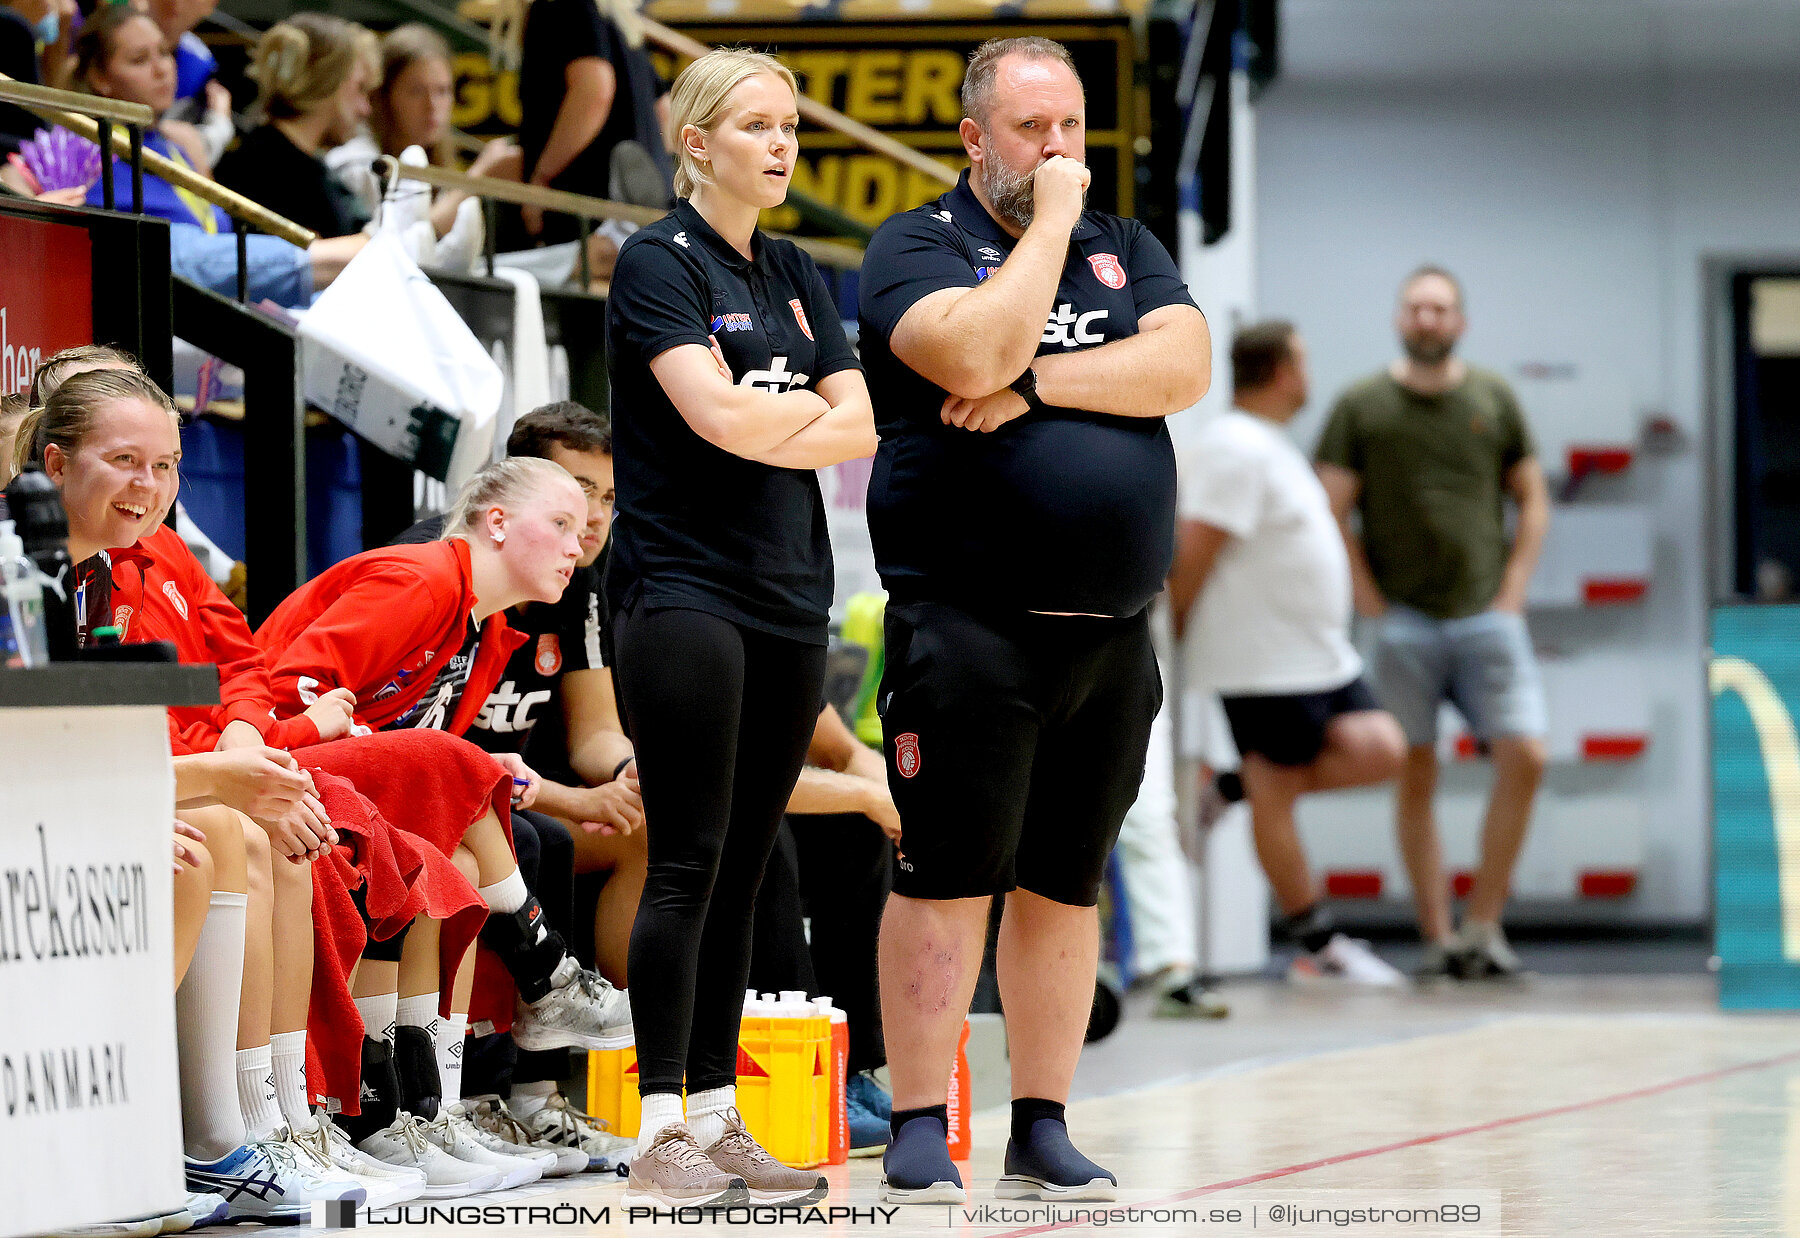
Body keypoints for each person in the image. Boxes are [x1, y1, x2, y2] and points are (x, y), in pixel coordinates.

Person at [857, 35, 1208, 1205]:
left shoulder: (1133, 247)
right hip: (972, 624)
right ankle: (917, 1117)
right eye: (1031, 131)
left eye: (1072, 131)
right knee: (947, 872)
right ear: (974, 137)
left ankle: (1043, 1121)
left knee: (1068, 881)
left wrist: (1039, 387)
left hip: (1109, 631)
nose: (1060, 153)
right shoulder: (917, 245)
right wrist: (1049, 229)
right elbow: (972, 345)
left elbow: (1183, 364)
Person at [604, 46, 874, 1210]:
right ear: (698, 142)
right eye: (757, 127)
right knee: (688, 857)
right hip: (682, 588)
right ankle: (658, 1120)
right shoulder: (652, 263)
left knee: (755, 863)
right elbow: (706, 415)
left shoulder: (800, 271)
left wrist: (773, 413)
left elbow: (857, 422)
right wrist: (788, 407)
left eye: (791, 128)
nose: (781, 147)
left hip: (785, 588)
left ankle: (718, 1113)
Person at [392, 401, 641, 1172]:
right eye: (573, 495)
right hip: (451, 793)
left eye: (604, 498)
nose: (591, 521)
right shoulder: (434, 568)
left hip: (500, 793)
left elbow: (596, 730)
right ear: (511, 500)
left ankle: (567, 1081)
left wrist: (632, 775)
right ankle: (480, 1093)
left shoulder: (577, 581)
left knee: (634, 831)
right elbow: (426, 742)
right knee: (541, 840)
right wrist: (572, 797)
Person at [1316, 267, 1551, 982]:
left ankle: (1485, 926)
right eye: (1416, 307)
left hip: (1486, 614)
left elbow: (1533, 498)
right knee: (1415, 772)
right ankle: (1439, 938)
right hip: (1403, 622)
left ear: (1460, 322)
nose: (1427, 318)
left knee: (1528, 757)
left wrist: (1513, 589)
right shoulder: (1362, 404)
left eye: (1440, 309)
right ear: (1399, 318)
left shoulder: (1492, 397)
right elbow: (1331, 508)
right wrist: (1367, 597)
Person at [1168, 320, 1409, 986]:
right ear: (1281, 371)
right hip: (1262, 660)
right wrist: (1174, 637)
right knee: (1278, 794)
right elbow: (1195, 550)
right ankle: (1320, 944)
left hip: (1315, 655)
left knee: (1381, 748)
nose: (1308, 373)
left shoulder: (1268, 444)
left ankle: (1225, 787)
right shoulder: (1234, 447)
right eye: (1302, 360)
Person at [70, 7, 365, 305]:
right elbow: (182, 254)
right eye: (139, 60)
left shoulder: (175, 145)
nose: (162, 68)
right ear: (99, 77)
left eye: (164, 52)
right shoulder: (86, 154)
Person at [747, 702, 899, 1153]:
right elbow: (742, 781)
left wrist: (915, 807)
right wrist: (869, 798)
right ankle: (810, 1071)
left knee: (858, 830)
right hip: (664, 804)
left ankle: (850, 1066)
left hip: (750, 796)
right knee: (766, 837)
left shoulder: (784, 638)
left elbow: (846, 752)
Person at [328, 24, 520, 260]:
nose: (432, 106)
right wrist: (479, 177)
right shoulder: (358, 164)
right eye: (417, 91)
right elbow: (399, 248)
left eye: (443, 91)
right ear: (385, 96)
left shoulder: (438, 167)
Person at [517, 0, 671, 244]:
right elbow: (664, 111)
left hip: (589, 213)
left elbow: (594, 90)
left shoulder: (561, 6)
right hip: (650, 214)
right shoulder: (615, 17)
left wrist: (541, 177)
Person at [216, 13, 377, 241]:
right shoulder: (287, 181)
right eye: (359, 87)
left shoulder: (252, 158)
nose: (365, 109)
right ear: (329, 83)